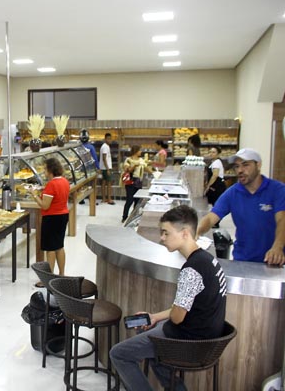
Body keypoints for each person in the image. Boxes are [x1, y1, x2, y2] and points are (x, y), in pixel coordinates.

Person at [110, 205, 227, 391]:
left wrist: (167, 316)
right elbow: (184, 307)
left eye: (166, 233)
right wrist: (155, 317)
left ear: (185, 233)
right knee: (148, 330)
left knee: (118, 354)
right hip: (208, 337)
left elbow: (178, 317)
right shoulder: (208, 260)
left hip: (190, 342)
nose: (162, 238)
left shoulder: (192, 270)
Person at [197, 148, 285, 265]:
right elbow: (211, 218)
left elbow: (282, 220)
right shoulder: (232, 193)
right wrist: (196, 232)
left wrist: (277, 247)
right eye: (237, 166)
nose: (240, 170)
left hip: (273, 260)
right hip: (242, 260)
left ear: (258, 165)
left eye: (245, 165)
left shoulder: (277, 190)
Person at [29, 157, 70, 284]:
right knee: (59, 246)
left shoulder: (52, 184)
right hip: (63, 215)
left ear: (50, 170)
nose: (44, 171)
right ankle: (61, 274)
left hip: (51, 218)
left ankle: (48, 279)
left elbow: (44, 205)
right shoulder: (64, 181)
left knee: (50, 249)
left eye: (45, 169)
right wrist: (44, 190)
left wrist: (34, 194)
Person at [122, 145, 152, 223]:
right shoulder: (128, 160)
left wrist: (154, 173)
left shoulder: (141, 160)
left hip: (138, 182)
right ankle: (124, 217)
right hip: (130, 182)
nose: (141, 152)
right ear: (135, 151)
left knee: (137, 201)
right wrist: (134, 165)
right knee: (129, 200)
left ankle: (134, 217)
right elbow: (128, 170)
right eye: (139, 150)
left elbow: (145, 168)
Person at [79, 129, 99, 205]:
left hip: (81, 169)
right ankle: (92, 200)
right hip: (90, 169)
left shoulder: (78, 147)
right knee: (92, 185)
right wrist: (97, 167)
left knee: (82, 184)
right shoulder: (91, 147)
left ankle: (81, 199)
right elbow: (95, 158)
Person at [99, 133, 115, 205]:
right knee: (109, 184)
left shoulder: (105, 146)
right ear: (105, 139)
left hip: (103, 168)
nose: (110, 140)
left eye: (110, 139)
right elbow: (104, 158)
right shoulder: (105, 147)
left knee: (103, 183)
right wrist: (108, 169)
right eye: (108, 139)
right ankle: (109, 199)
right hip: (106, 168)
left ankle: (104, 199)